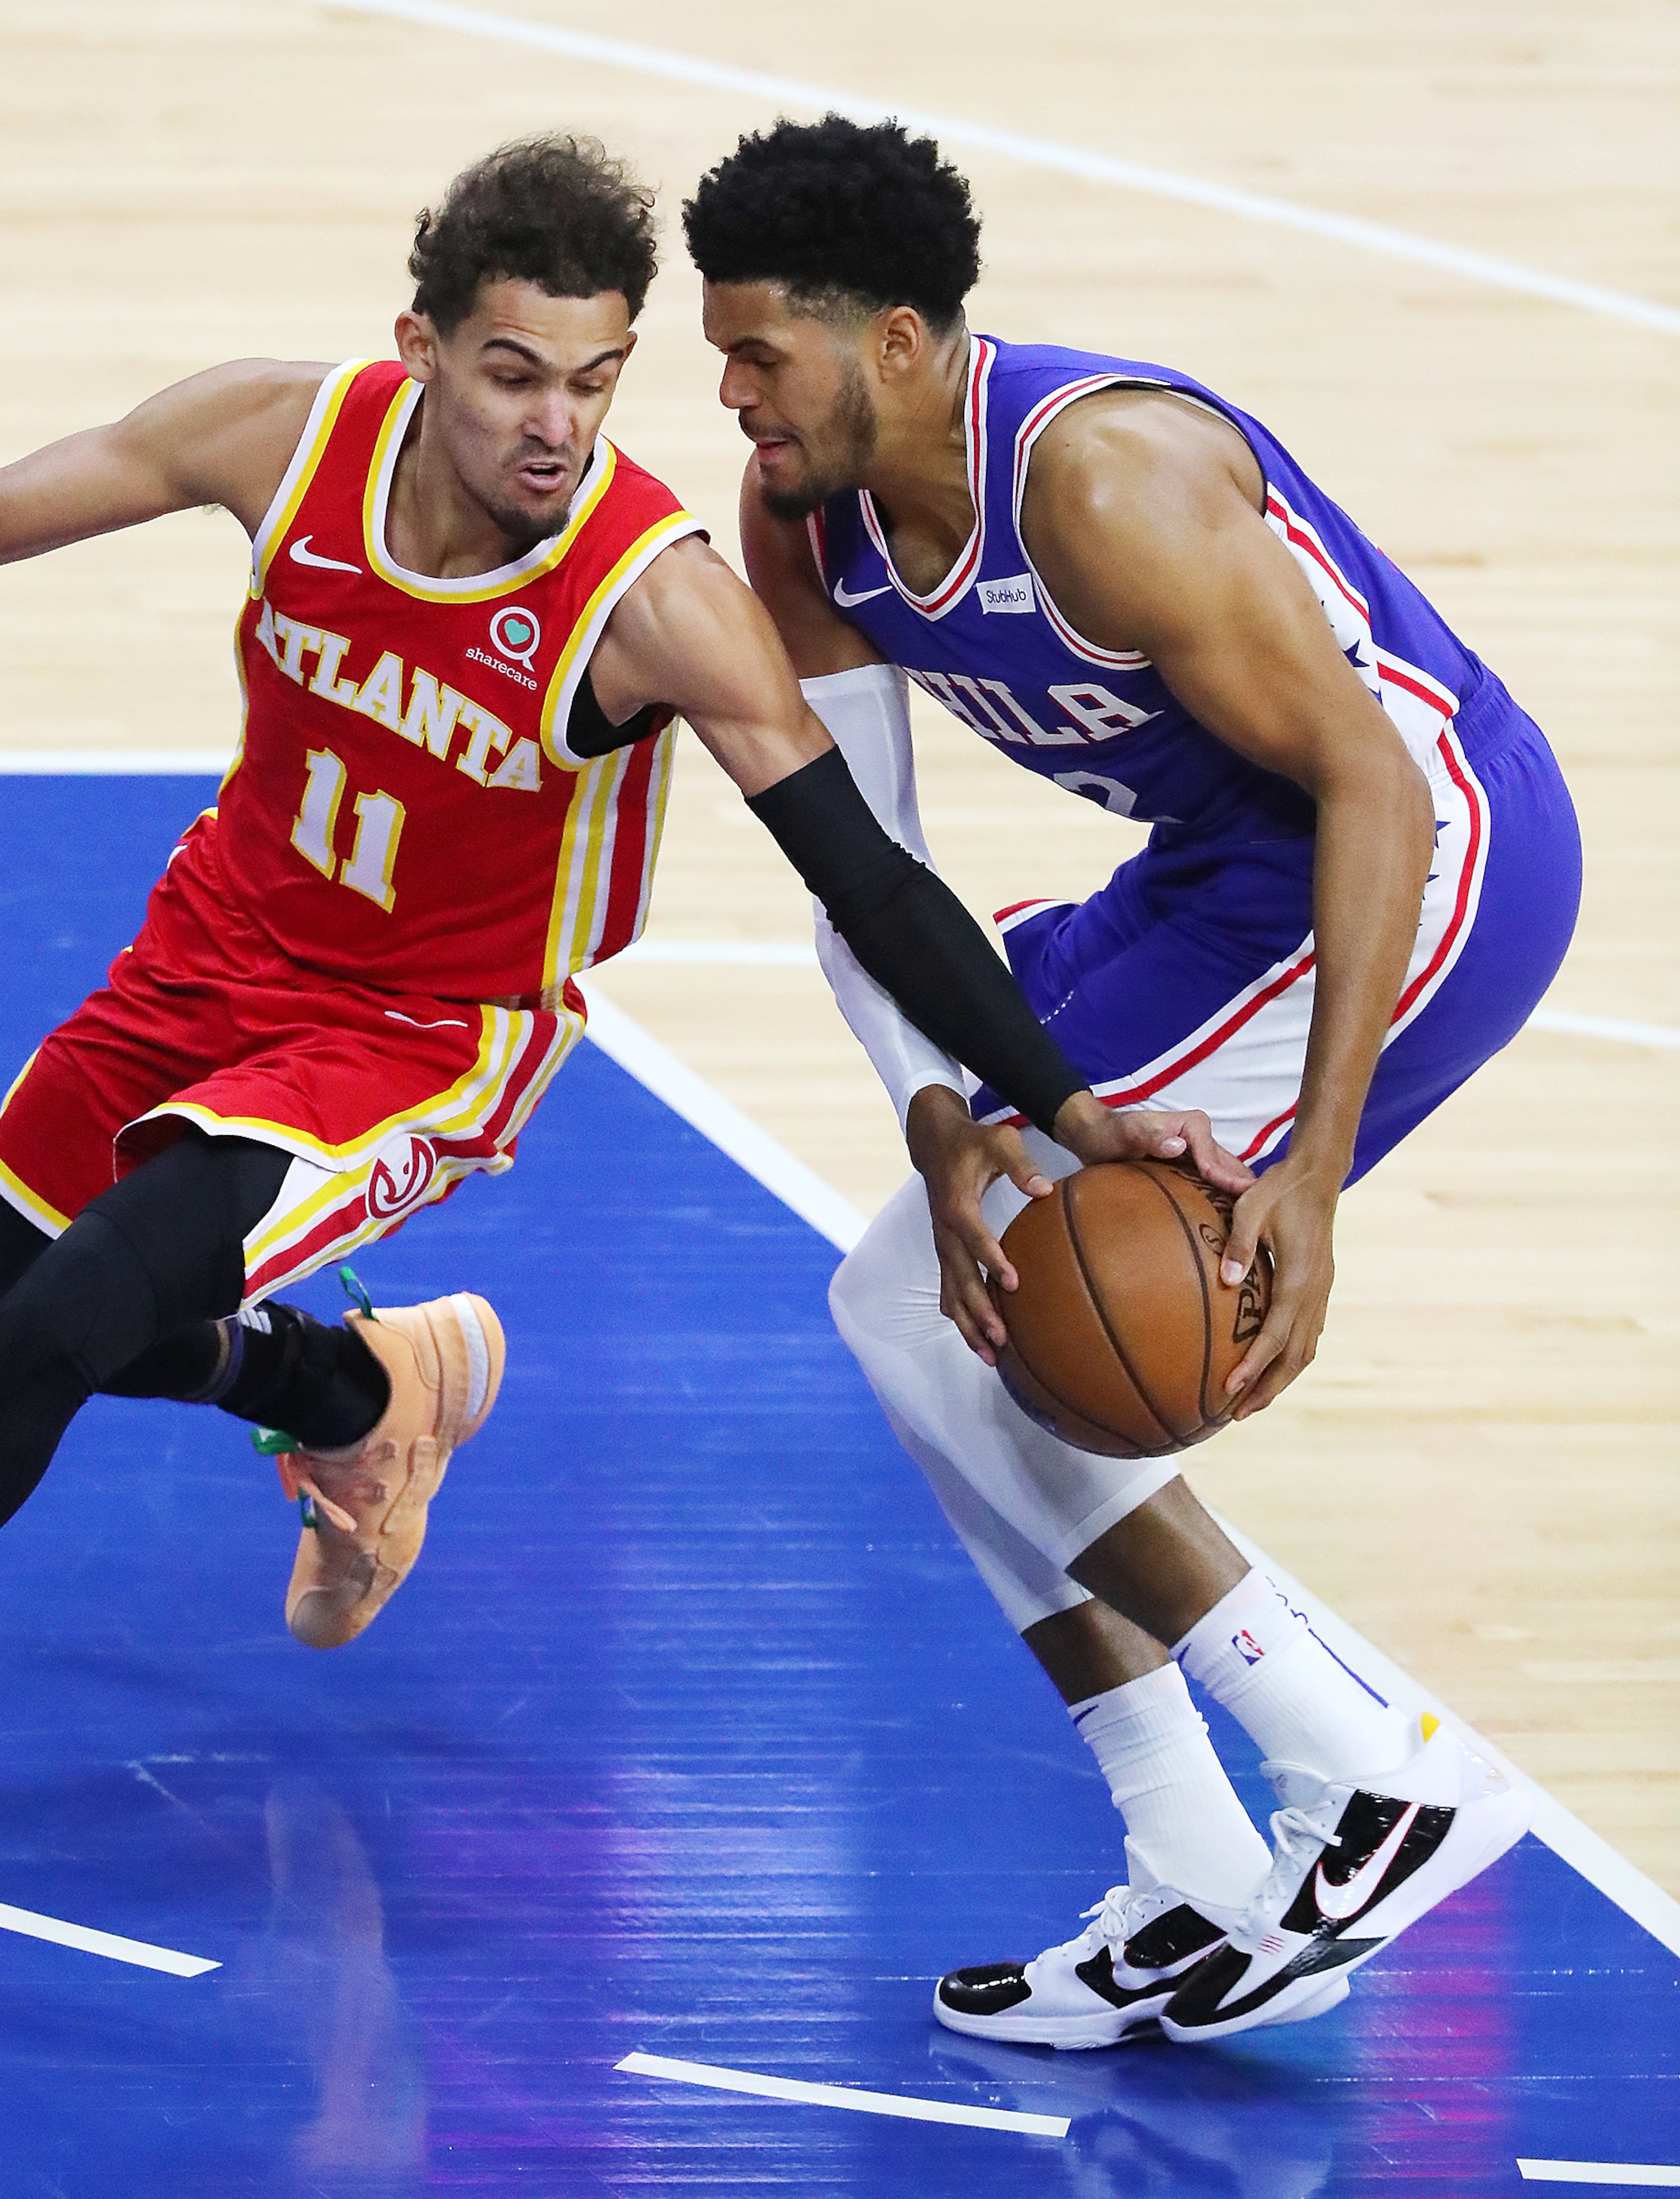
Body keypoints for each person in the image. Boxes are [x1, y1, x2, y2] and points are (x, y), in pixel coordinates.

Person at [0, 138, 1225, 1851]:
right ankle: (357, 1393)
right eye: (515, 376)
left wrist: (1065, 1106)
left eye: (596, 381)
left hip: (416, 1038)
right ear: (422, 351)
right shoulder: (285, 435)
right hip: (210, 950)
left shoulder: (657, 602)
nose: (559, 424)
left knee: (55, 1329)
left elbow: (877, 882)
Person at [684, 116, 1581, 2047]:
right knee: (917, 1291)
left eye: (762, 354)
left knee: (943, 1310)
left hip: (1427, 861)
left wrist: (1312, 1175)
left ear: (899, 341)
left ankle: (1376, 1768)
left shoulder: (1099, 483)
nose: (733, 396)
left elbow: (1376, 782)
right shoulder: (804, 523)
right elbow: (867, 868)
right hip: (1219, 870)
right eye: (721, 355)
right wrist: (942, 1116)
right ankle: (1190, 1862)